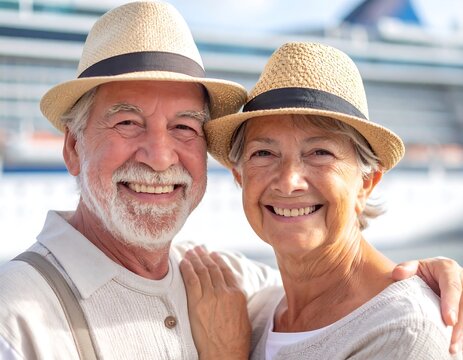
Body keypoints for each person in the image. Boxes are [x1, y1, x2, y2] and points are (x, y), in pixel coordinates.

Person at [0, 1, 460, 359]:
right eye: (127, 123)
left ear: (368, 181)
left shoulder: (227, 283)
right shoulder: (16, 316)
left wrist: (421, 285)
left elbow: (354, 295)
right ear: (73, 148)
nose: (160, 158)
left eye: (184, 126)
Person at [181, 42, 463, 359]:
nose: (289, 181)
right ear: (240, 177)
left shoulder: (404, 329)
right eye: (264, 153)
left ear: (366, 182)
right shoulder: (257, 309)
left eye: (319, 153)